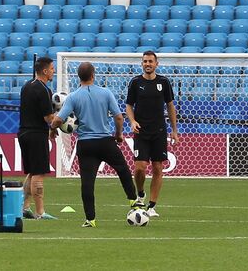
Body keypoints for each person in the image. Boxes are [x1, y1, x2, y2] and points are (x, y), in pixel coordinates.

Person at [55, 61, 141, 227]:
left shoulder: (73, 96)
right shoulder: (105, 93)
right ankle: (133, 200)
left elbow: (58, 119)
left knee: (87, 182)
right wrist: (118, 135)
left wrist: (52, 130)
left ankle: (90, 219)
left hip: (85, 144)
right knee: (122, 168)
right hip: (104, 141)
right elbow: (118, 117)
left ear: (79, 77)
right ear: (93, 75)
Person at [125, 51, 179, 217]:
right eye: (145, 61)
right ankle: (140, 194)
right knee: (140, 168)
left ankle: (152, 206)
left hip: (159, 131)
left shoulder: (164, 82)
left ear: (157, 64)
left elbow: (170, 106)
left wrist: (174, 131)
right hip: (141, 131)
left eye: (150, 61)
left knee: (157, 167)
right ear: (142, 64)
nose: (147, 64)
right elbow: (128, 106)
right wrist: (132, 121)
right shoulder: (135, 82)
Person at [18, 56, 60, 220]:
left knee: (31, 172)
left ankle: (24, 207)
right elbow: (48, 118)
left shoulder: (26, 86)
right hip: (36, 134)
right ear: (44, 70)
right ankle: (40, 212)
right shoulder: (43, 89)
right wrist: (60, 122)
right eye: (51, 68)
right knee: (39, 174)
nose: (53, 71)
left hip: (23, 133)